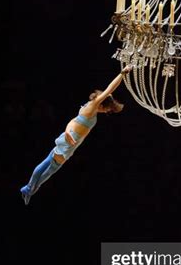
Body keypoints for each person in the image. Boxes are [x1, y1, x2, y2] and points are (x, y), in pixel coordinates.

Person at [20, 65, 132, 204]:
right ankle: (29, 189)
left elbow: (74, 120)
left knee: (47, 163)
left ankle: (29, 188)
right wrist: (123, 73)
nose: (106, 112)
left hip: (68, 139)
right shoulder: (93, 106)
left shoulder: (87, 105)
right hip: (69, 143)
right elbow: (110, 89)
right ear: (101, 104)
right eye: (107, 109)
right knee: (49, 170)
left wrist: (67, 131)